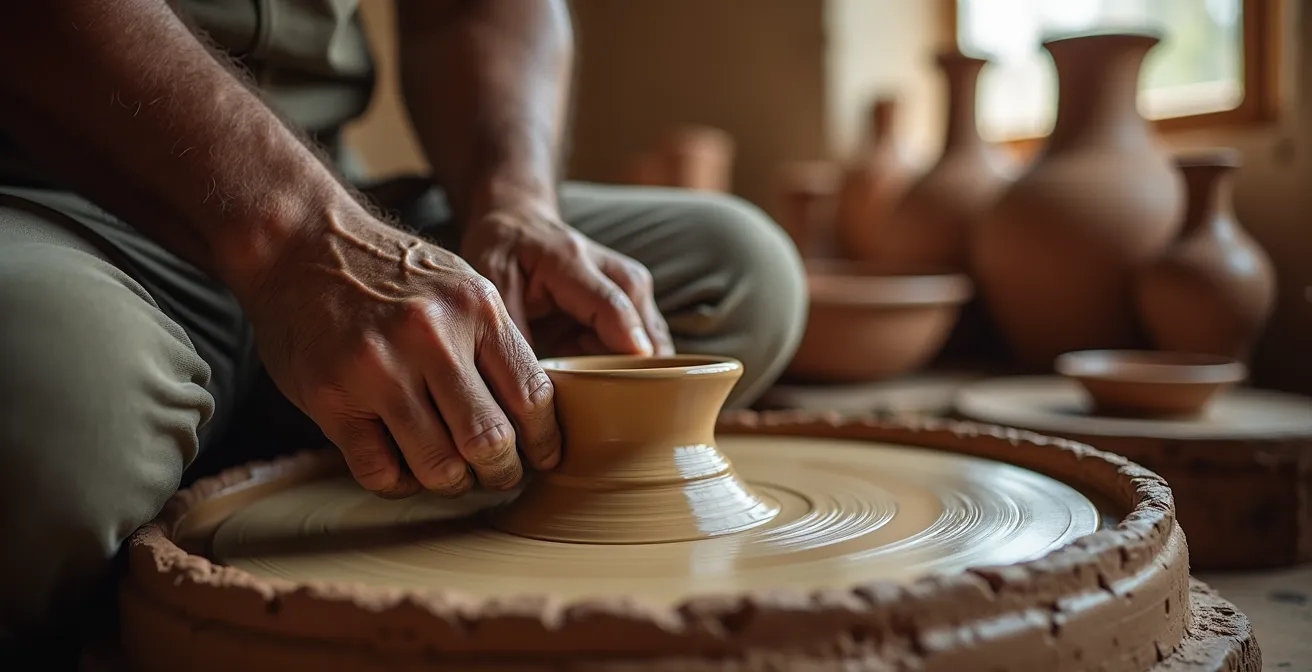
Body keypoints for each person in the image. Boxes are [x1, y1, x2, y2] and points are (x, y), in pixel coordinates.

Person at [0, 0, 806, 655]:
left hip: (330, 181)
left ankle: (246, 442)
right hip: (64, 192)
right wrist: (299, 242)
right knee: (54, 398)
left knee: (740, 275)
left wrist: (515, 202)